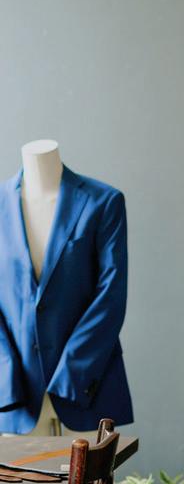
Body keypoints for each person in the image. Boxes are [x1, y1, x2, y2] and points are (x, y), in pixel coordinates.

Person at [0, 140, 133, 435]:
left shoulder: (103, 201)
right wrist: (6, 379)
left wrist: (73, 375)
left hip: (86, 388)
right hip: (15, 398)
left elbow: (111, 295)